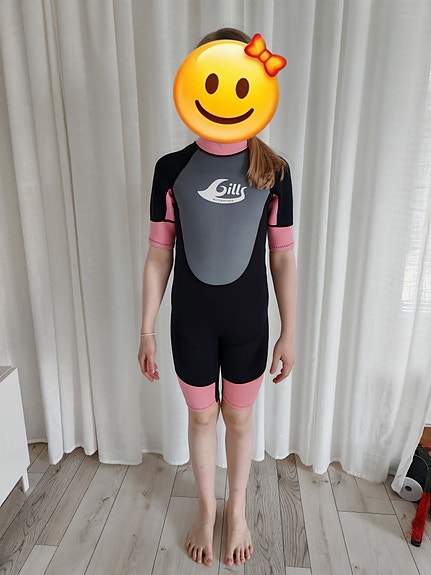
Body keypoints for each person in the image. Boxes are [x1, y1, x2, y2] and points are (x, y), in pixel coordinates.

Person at [138, 27, 296, 568]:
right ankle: (207, 511)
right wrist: (146, 328)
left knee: (240, 420)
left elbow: (282, 258)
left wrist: (290, 331)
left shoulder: (274, 171)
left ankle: (239, 510)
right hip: (192, 323)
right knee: (203, 418)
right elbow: (158, 254)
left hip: (249, 323)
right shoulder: (171, 169)